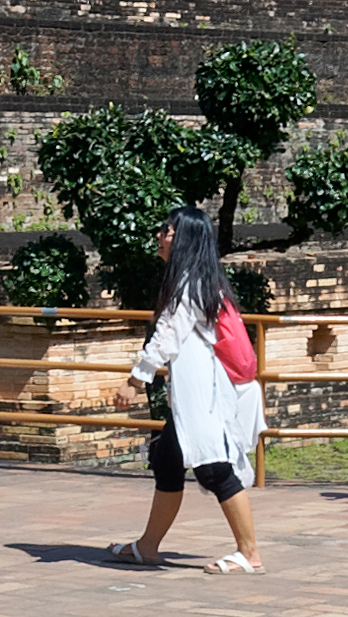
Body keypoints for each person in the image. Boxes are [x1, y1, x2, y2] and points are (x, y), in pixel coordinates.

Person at [106, 207, 266, 573]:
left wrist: (135, 380)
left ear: (187, 240)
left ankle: (249, 552)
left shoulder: (190, 284)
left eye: (169, 231)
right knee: (167, 459)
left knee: (214, 470)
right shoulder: (197, 280)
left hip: (206, 398)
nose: (161, 236)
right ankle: (147, 546)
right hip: (197, 397)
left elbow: (166, 338)